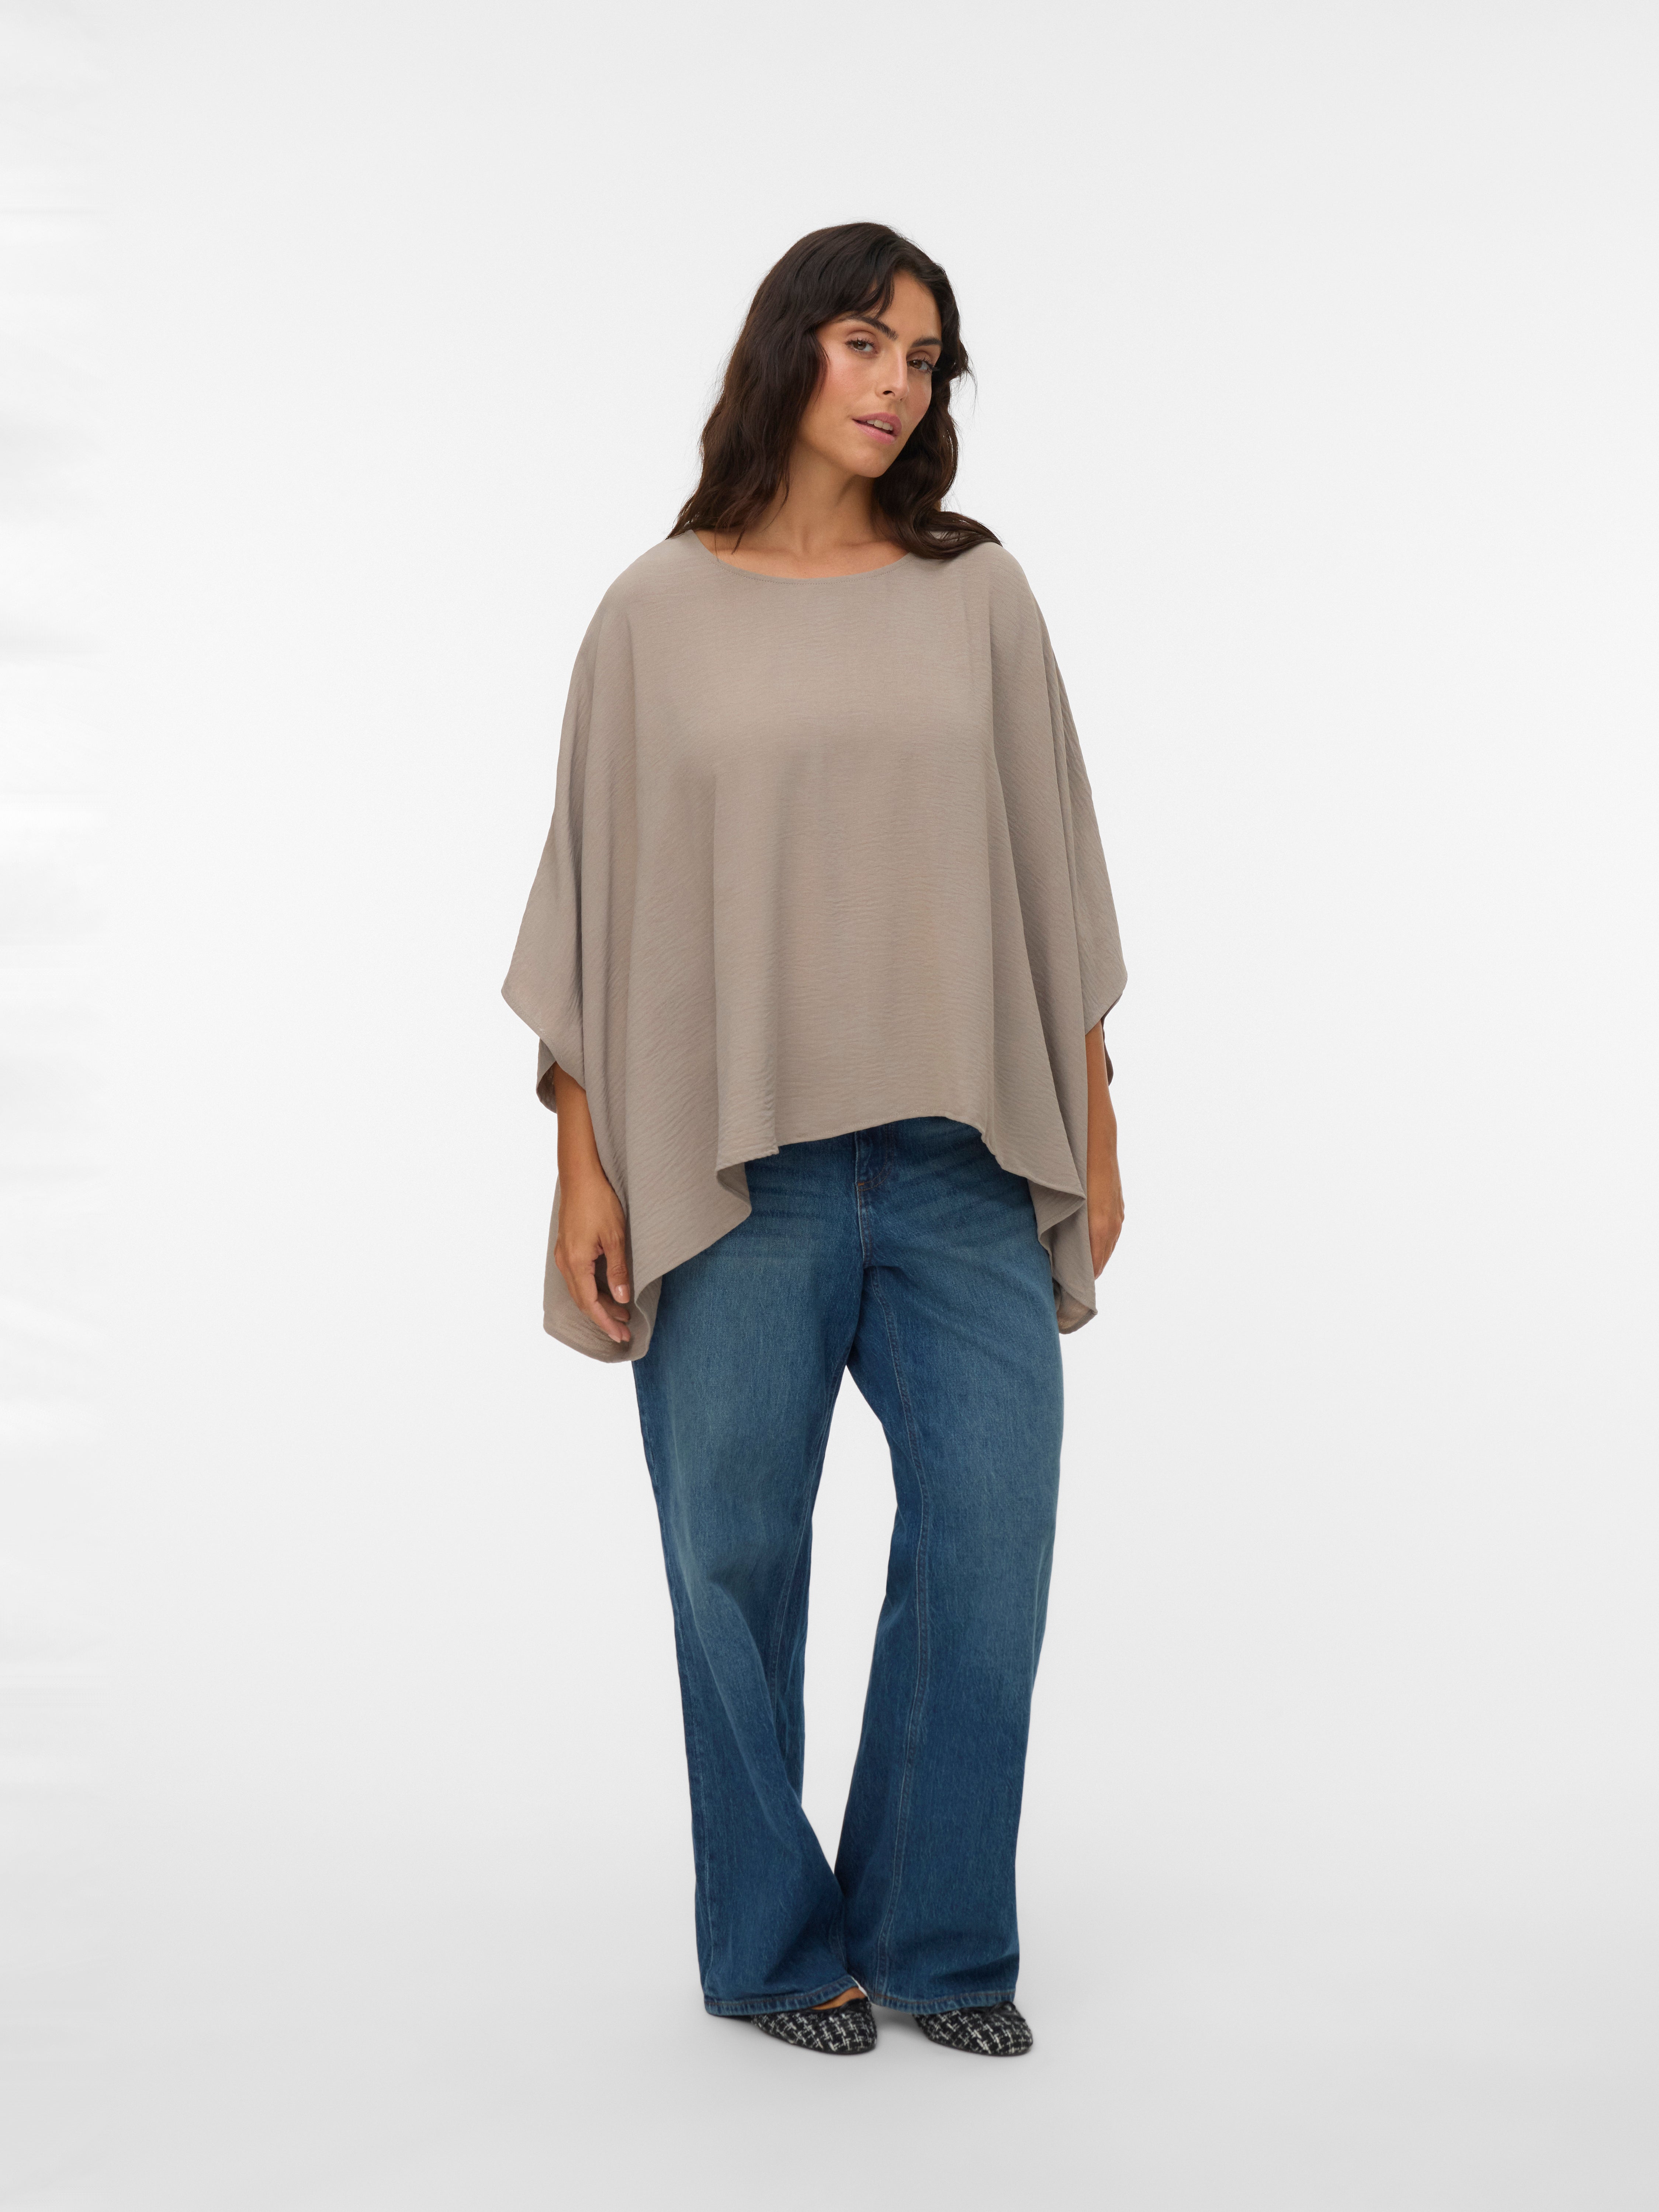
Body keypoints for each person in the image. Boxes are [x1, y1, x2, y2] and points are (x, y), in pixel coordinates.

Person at [503, 221, 1126, 2058]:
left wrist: (1095, 1119)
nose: (897, 385)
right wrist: (582, 1163)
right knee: (730, 1564)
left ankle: (936, 1937)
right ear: (792, 349)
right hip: (735, 1170)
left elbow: (1055, 872)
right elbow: (596, 913)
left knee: (991, 1543)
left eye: (926, 359)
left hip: (956, 1159)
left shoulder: (978, 594)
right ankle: (777, 1953)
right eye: (867, 342)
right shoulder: (652, 613)